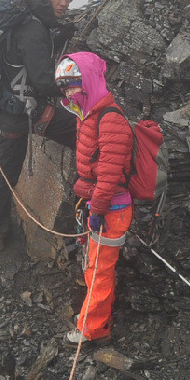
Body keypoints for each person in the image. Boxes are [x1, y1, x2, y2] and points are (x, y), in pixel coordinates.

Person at [0, 0, 78, 253]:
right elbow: (44, 81)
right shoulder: (34, 28)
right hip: (19, 115)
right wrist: (75, 84)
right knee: (83, 131)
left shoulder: (30, 17)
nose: (64, 3)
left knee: (5, 172)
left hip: (10, 109)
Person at [55, 51, 133, 345]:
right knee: (94, 265)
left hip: (112, 208)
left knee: (100, 269)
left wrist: (97, 210)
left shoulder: (109, 120)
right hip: (98, 206)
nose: (69, 92)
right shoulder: (86, 115)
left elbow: (110, 174)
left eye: (74, 84)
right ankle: (97, 319)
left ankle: (93, 330)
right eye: (65, 87)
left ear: (89, 80)